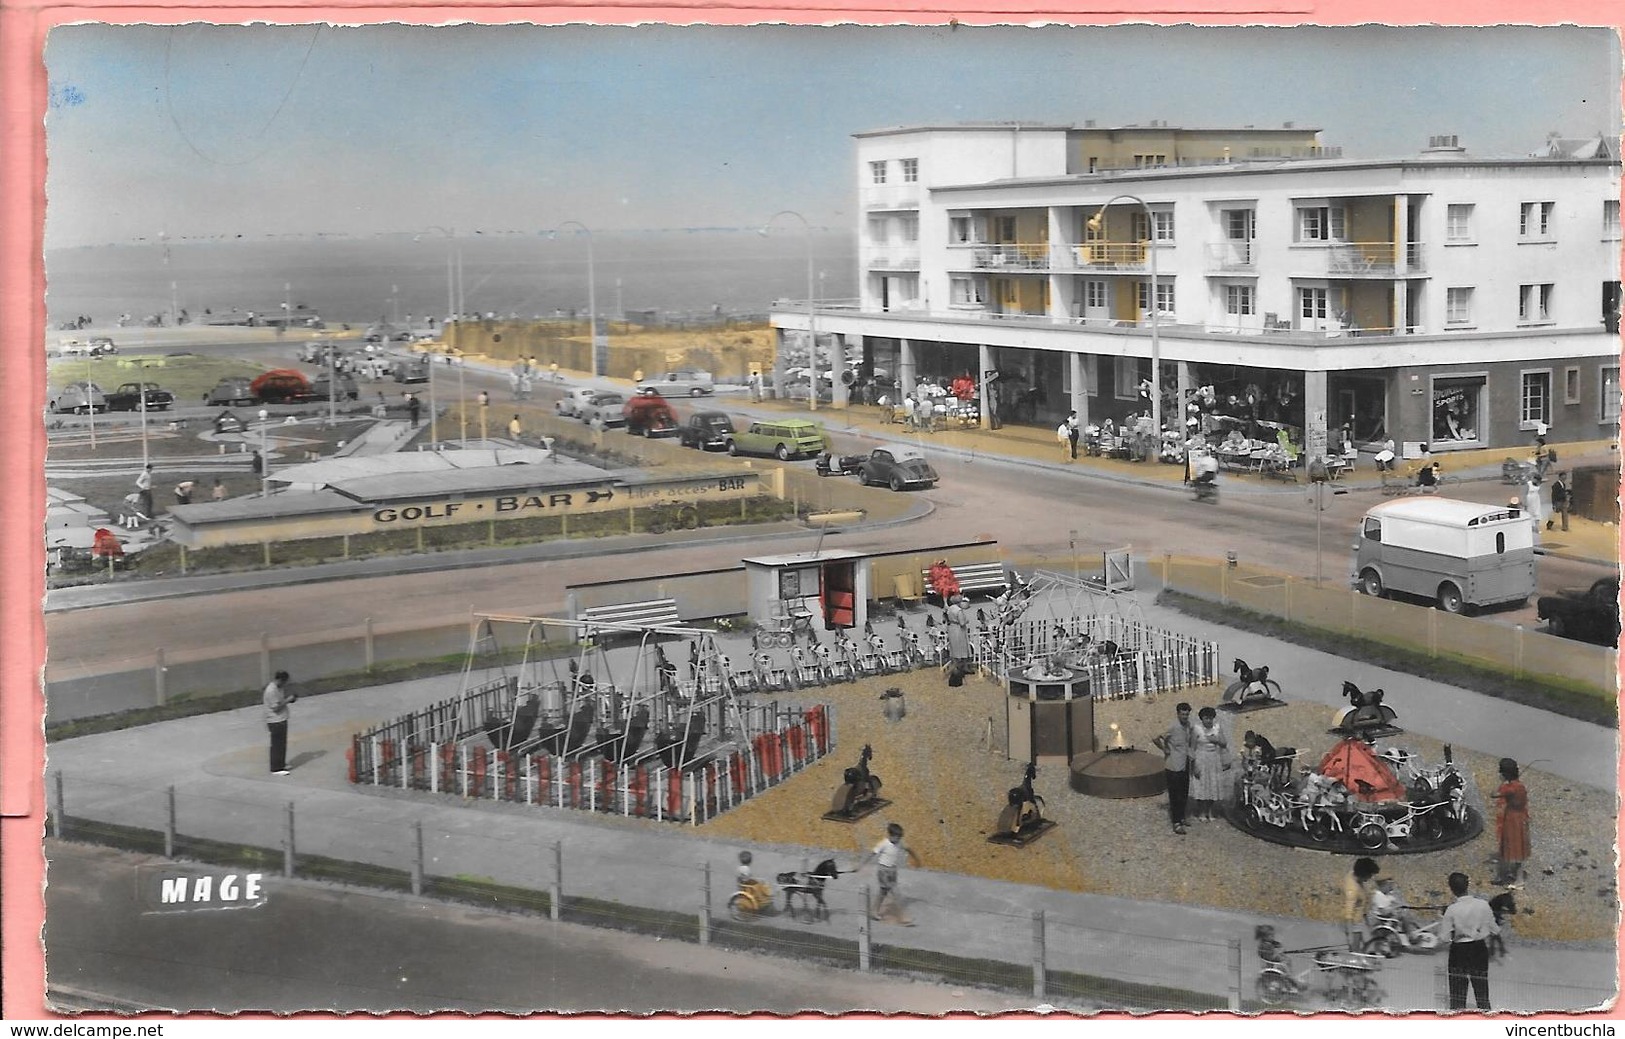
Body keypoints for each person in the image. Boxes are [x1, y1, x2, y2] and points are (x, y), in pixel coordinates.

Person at [1440, 871, 1498, 1010]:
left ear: (1451, 889)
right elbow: (1494, 929)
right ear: (1468, 885)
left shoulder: (1451, 910)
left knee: (1457, 995)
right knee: (1482, 992)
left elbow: (1443, 937)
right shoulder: (1483, 905)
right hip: (1478, 949)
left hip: (1459, 950)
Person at [859, 822, 921, 925]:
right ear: (890, 835)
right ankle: (903, 917)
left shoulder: (899, 843)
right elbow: (872, 853)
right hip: (883, 871)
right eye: (896, 837)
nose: (898, 840)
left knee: (883, 892)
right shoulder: (884, 843)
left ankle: (873, 911)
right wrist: (862, 864)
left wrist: (916, 859)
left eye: (899, 837)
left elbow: (909, 849)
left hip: (892, 870)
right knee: (895, 892)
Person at [1152, 703, 1194, 835]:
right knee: (1175, 795)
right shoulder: (1172, 726)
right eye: (1182, 714)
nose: (1185, 716)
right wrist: (1164, 749)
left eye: (1187, 714)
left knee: (1184, 793)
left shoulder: (1188, 726)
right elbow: (1155, 738)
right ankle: (1176, 822)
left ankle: (1182, 817)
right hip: (1173, 765)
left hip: (1184, 764)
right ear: (1177, 714)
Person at [1491, 758, 1530, 886]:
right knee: (1518, 848)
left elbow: (1493, 794)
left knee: (1508, 847)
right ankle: (1516, 876)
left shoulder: (1509, 788)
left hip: (1511, 820)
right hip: (1521, 818)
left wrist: (1503, 783)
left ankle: (1510, 878)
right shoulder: (1520, 786)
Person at [1187, 706, 1230, 820]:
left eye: (1211, 718)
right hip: (1201, 758)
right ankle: (1201, 812)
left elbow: (1224, 743)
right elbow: (1192, 748)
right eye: (1206, 718)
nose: (1209, 720)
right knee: (1201, 786)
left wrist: (1216, 740)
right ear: (1202, 719)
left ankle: (1210, 811)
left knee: (1212, 785)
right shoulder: (1197, 729)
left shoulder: (1217, 728)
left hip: (1214, 759)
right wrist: (1194, 765)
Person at [1343, 856, 1381, 951]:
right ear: (1363, 874)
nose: (1370, 878)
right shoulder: (1353, 889)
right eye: (1370, 875)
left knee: (1366, 948)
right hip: (1354, 924)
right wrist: (1350, 936)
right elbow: (1348, 915)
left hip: (1360, 919)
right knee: (1355, 952)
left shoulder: (1352, 875)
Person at [264, 670, 296, 775]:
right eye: (285, 681)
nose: (285, 684)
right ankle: (276, 768)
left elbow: (280, 700)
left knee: (282, 744)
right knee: (277, 745)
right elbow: (276, 708)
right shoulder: (271, 691)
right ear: (280, 680)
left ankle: (281, 764)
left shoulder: (279, 688)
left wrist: (290, 699)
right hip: (275, 720)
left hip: (282, 719)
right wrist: (288, 700)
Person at [944, 594, 972, 686]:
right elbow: (962, 622)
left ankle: (960, 666)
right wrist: (967, 621)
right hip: (958, 630)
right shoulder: (958, 610)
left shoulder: (950, 608)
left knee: (955, 648)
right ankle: (961, 668)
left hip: (951, 629)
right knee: (961, 648)